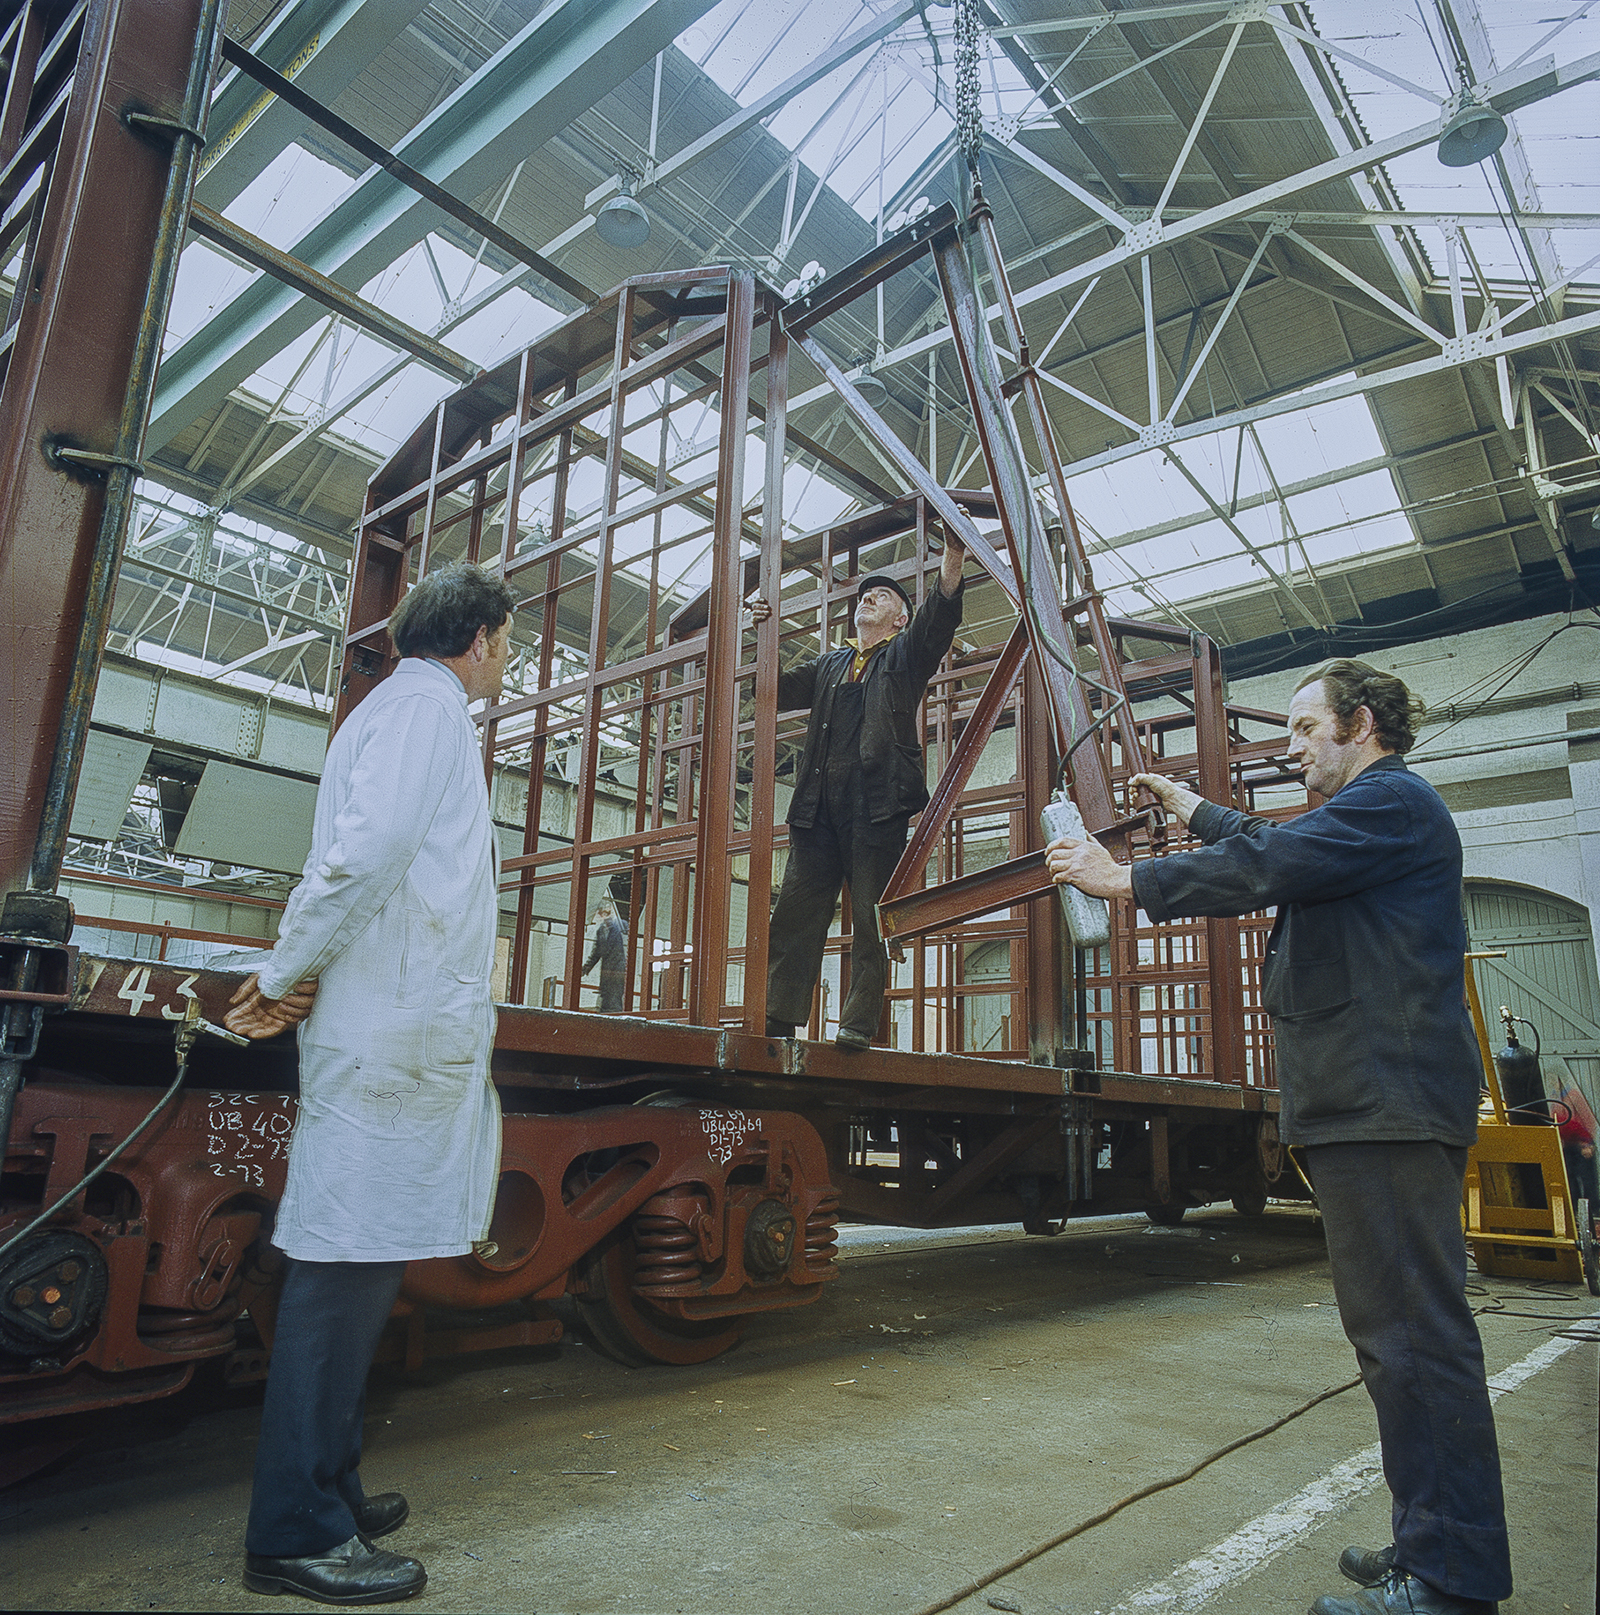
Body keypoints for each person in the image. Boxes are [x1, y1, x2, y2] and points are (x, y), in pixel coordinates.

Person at [1045, 658, 1510, 1615]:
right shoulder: (1367, 818)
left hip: (1385, 1106)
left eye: (1305, 730)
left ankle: (1452, 1580)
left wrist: (1127, 879)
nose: (1290, 748)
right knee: (1397, 1340)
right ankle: (1432, 1543)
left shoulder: (1396, 804)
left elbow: (1272, 863)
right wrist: (1192, 805)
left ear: (1363, 722)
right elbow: (1270, 841)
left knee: (1413, 1341)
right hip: (1365, 1107)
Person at [224, 562, 516, 1606]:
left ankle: (333, 1484)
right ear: (480, 637)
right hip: (387, 1031)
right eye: (509, 640)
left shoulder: (399, 710)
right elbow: (363, 855)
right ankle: (293, 1528)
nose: (509, 657)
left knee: (367, 1255)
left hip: (398, 1027)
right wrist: (284, 970)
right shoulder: (424, 714)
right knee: (342, 1267)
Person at [752, 536, 964, 1049]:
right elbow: (770, 687)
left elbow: (937, 621)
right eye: (864, 594)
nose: (868, 597)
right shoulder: (828, 666)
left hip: (877, 805)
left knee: (872, 918)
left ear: (899, 620)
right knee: (796, 913)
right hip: (818, 806)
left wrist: (953, 557)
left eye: (883, 595)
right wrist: (758, 629)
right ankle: (778, 1014)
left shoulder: (905, 657)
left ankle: (857, 1024)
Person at [583, 900, 627, 1012]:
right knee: (607, 997)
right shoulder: (601, 931)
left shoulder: (622, 926)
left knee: (615, 998)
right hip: (607, 971)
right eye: (602, 914)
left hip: (617, 970)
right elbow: (596, 952)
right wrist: (586, 968)